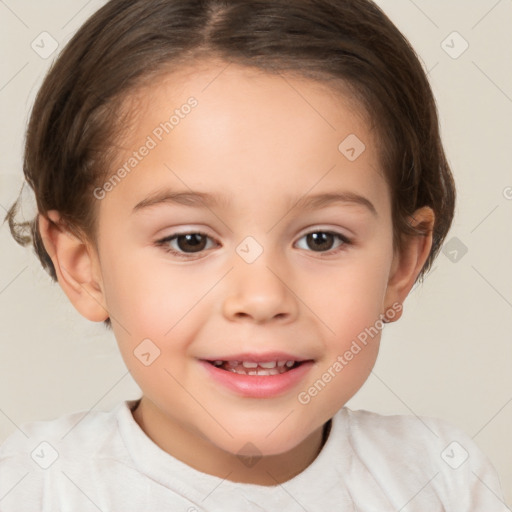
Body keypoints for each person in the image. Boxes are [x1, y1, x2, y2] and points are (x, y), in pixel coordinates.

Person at [0, 0, 507, 509]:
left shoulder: (441, 479)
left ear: (400, 264)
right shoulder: (35, 487)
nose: (263, 298)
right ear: (84, 267)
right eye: (190, 241)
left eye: (321, 239)